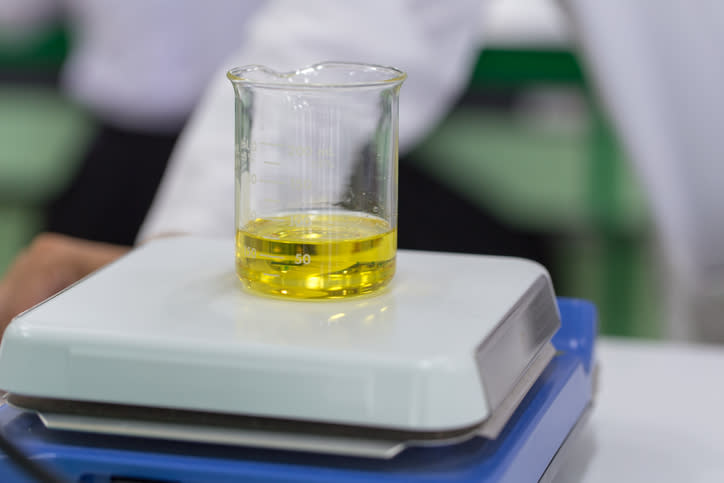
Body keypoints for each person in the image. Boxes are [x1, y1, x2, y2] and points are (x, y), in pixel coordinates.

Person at [0, 0, 484, 334]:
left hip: (223, 152)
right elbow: (356, 24)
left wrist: (178, 262)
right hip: (161, 154)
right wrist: (180, 260)